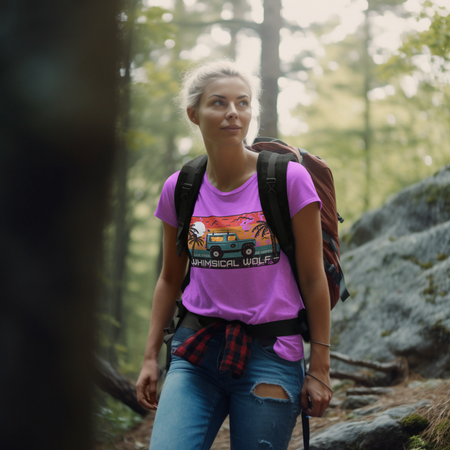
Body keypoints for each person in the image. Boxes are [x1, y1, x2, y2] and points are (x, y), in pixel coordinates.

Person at [136, 60, 332, 450]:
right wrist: (149, 358)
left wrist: (321, 368)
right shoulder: (180, 188)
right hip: (196, 352)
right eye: (218, 103)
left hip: (271, 354)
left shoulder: (288, 181)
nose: (232, 113)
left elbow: (313, 278)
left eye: (242, 103)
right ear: (194, 114)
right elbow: (169, 279)